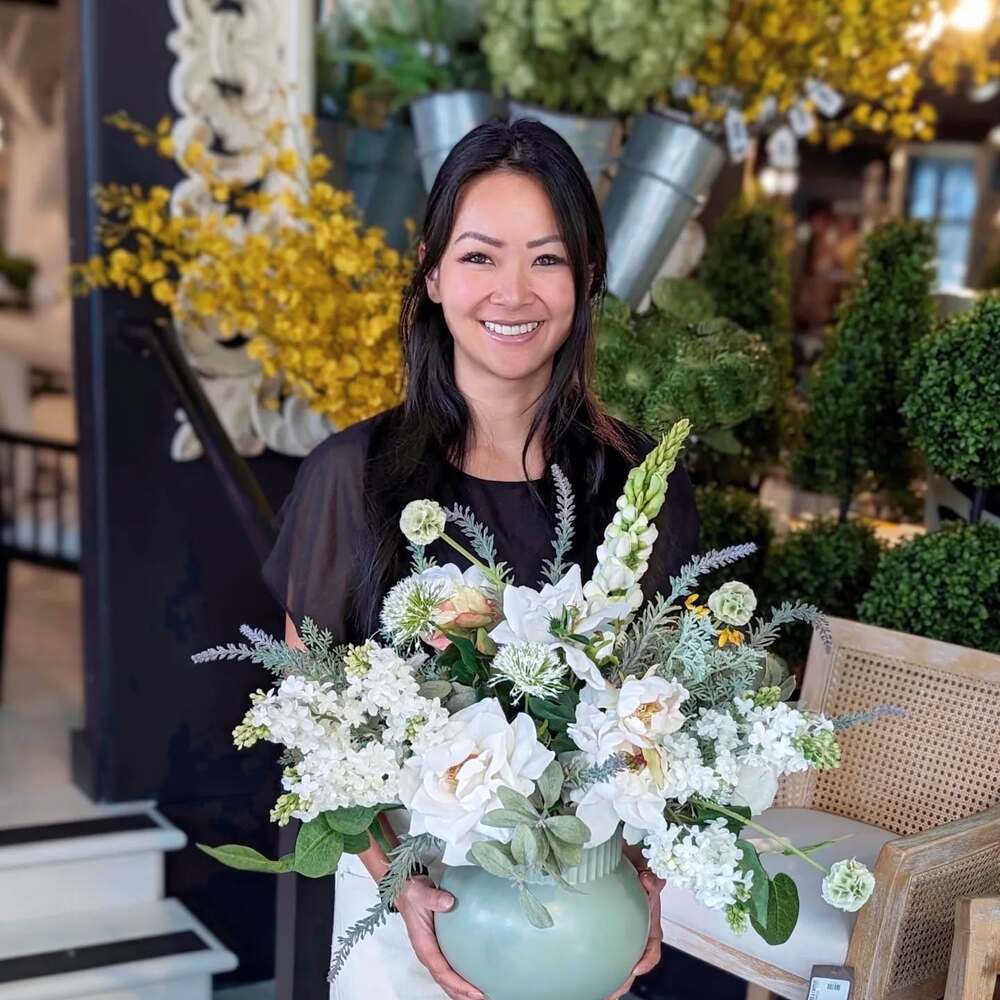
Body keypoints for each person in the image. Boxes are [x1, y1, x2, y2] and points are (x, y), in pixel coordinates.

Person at [262, 116, 700, 1000]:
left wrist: (643, 878)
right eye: (479, 256)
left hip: (579, 911)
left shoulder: (639, 481)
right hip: (417, 916)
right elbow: (313, 706)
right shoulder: (351, 476)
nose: (513, 292)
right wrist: (398, 880)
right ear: (430, 272)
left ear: (584, 277)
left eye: (545, 258)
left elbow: (667, 712)